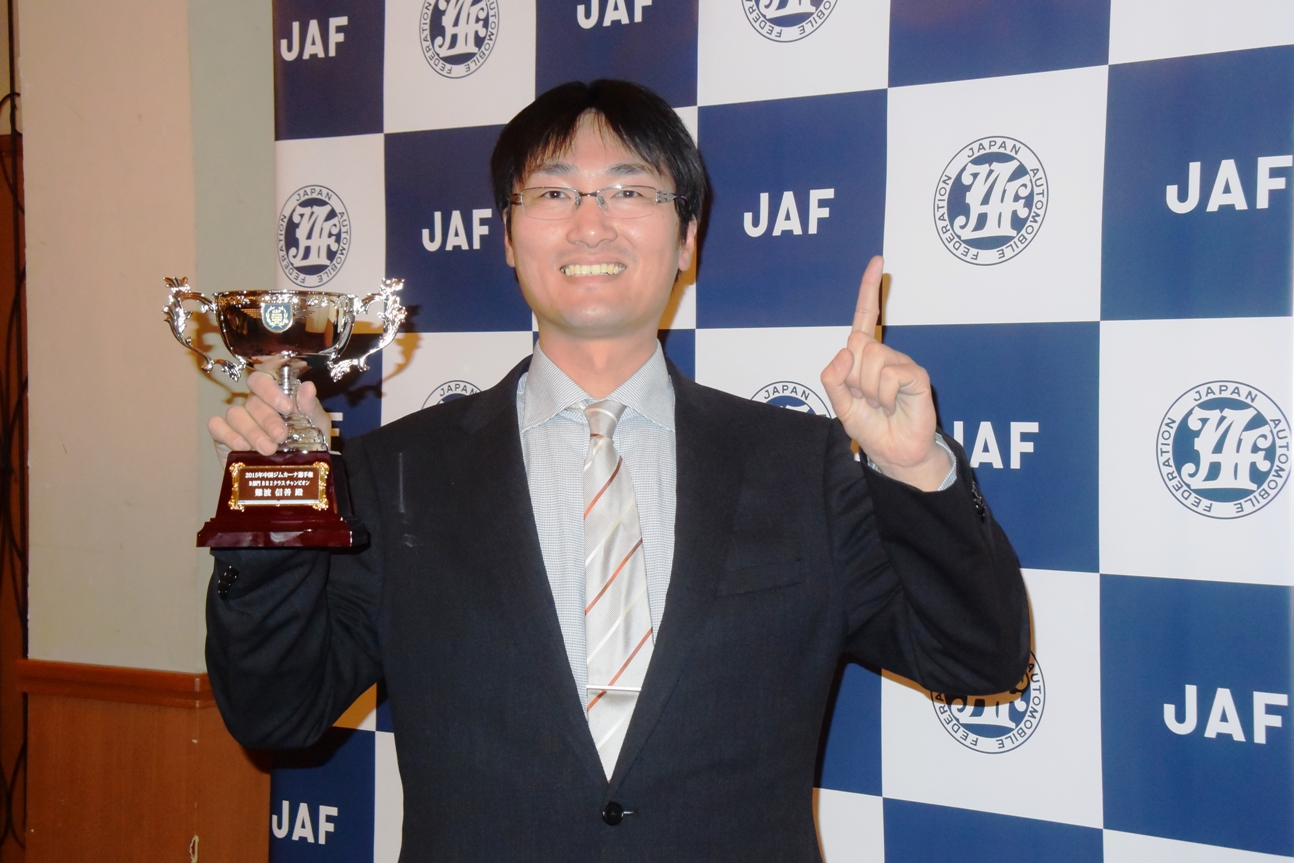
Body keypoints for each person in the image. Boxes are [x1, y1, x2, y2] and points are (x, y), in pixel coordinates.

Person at [205, 80, 1029, 862]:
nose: (590, 224)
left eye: (630, 190)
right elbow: (276, 712)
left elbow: (978, 659)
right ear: (507, 236)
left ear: (688, 239)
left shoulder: (803, 465)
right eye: (554, 192)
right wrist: (274, 510)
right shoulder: (392, 472)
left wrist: (914, 468)